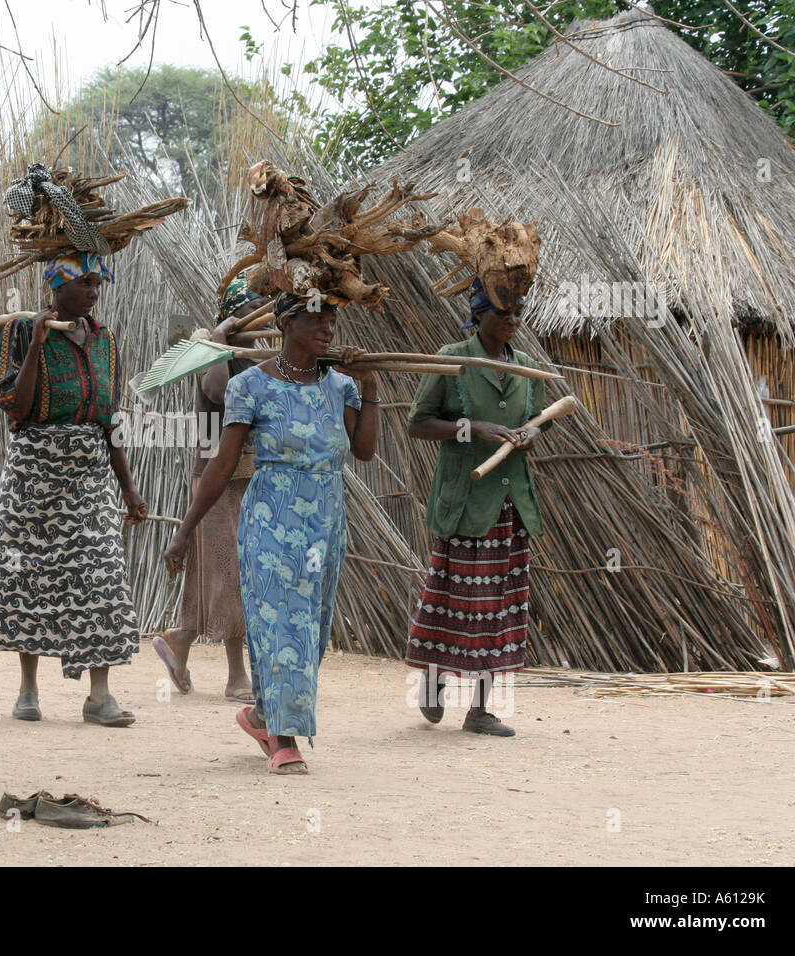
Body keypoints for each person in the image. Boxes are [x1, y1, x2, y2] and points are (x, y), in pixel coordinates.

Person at [164, 293, 380, 774]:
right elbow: (222, 463)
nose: (328, 326)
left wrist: (369, 385)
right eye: (315, 317)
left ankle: (264, 712)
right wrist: (185, 531)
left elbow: (363, 451)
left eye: (333, 318)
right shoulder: (251, 386)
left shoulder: (342, 385)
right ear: (286, 322)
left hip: (326, 523)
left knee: (312, 632)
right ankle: (284, 740)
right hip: (269, 521)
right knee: (281, 626)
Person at [0, 251, 147, 727]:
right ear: (57, 288)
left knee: (100, 572)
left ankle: (99, 697)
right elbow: (17, 405)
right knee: (28, 575)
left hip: (88, 472)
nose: (95, 293)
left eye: (98, 284)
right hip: (32, 472)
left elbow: (108, 419)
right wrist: (36, 341)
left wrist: (129, 489)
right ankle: (28, 689)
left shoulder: (105, 340)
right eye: (86, 283)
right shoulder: (19, 332)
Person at [405, 279, 553, 737]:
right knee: (454, 599)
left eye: (517, 313)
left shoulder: (527, 368)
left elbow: (536, 422)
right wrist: (473, 429)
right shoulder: (454, 359)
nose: (512, 321)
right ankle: (433, 678)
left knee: (503, 608)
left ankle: (481, 710)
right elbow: (419, 424)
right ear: (479, 316)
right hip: (465, 504)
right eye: (502, 313)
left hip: (511, 507)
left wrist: (531, 434)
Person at [154, 275, 268, 703]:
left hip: (245, 477)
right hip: (216, 479)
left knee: (219, 572)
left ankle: (180, 640)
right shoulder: (210, 349)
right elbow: (216, 390)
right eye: (248, 311)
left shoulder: (254, 357)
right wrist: (219, 338)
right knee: (231, 574)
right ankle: (237, 675)